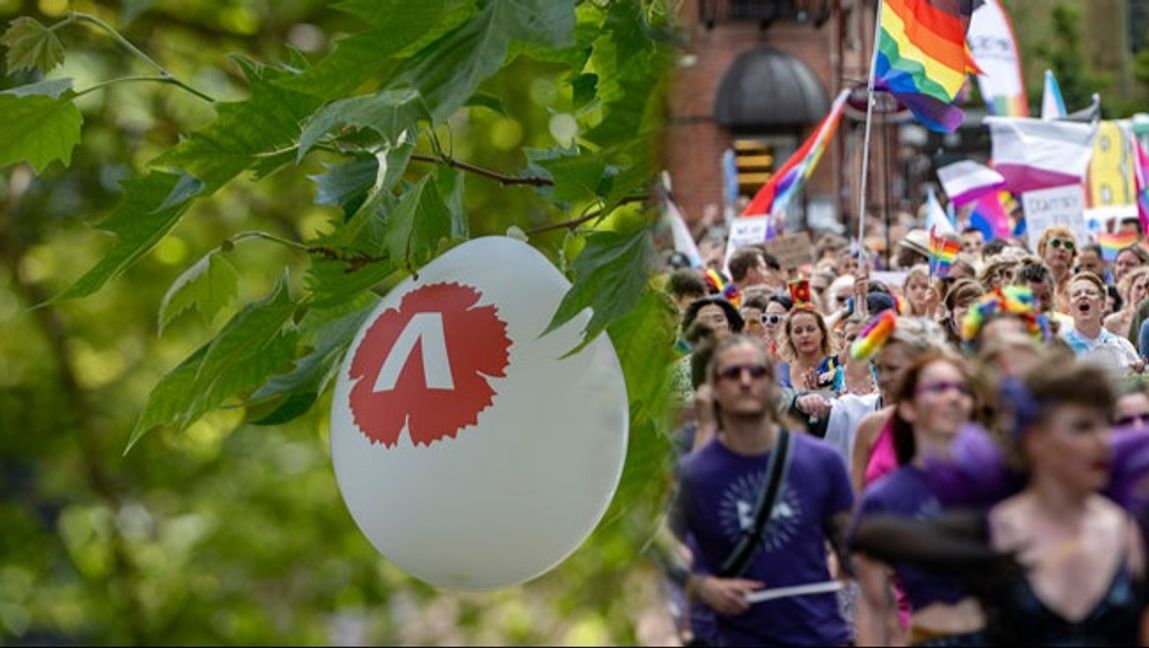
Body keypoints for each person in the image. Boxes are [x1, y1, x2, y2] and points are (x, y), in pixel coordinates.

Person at [851, 358, 1149, 646]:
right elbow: (871, 534)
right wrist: (988, 560)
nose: (1102, 442)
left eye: (1105, 426)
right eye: (1082, 427)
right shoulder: (999, 524)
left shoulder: (1131, 525)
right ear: (1035, 438)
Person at [671, 335, 855, 646]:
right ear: (712, 389)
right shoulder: (694, 473)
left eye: (757, 372)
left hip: (815, 634)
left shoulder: (822, 461)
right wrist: (701, 587)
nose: (745, 381)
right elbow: (661, 550)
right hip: (728, 637)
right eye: (732, 373)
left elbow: (853, 552)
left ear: (773, 385)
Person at [853, 354, 985, 646]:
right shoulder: (884, 498)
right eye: (938, 389)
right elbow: (874, 607)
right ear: (909, 408)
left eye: (962, 389)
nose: (953, 397)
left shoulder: (999, 482)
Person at [1060, 272, 1143, 375]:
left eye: (1090, 292)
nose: (1083, 296)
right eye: (1076, 294)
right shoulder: (1060, 348)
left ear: (1102, 305)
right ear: (1069, 308)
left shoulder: (1123, 346)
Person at [776, 307, 840, 392]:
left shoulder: (837, 366)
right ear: (790, 337)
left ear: (822, 333)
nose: (805, 335)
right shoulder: (779, 372)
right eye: (798, 331)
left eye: (810, 329)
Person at [1036, 225, 1077, 312]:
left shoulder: (1078, 285)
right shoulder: (1031, 281)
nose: (1062, 248)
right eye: (1055, 243)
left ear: (1073, 253)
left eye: (1068, 245)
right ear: (1043, 248)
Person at [1105, 267, 1149, 337]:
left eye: (1147, 288)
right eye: (1138, 288)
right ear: (1129, 290)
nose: (1143, 293)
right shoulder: (1113, 322)